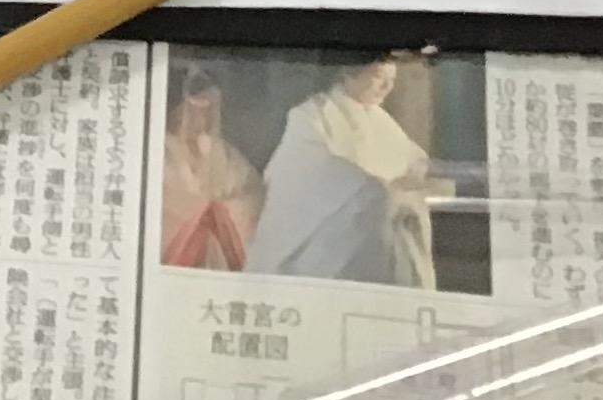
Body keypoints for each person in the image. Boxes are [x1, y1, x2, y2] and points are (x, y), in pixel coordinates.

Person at [244, 59, 442, 287]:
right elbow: (310, 167)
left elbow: (413, 160)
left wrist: (411, 182)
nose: (387, 87)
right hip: (324, 234)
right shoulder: (311, 115)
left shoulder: (381, 121)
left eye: (392, 80)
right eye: (379, 77)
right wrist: (371, 189)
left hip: (378, 234)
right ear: (349, 71)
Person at [157, 68, 267, 272]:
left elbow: (250, 194)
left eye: (208, 110)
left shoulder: (222, 152)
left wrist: (220, 213)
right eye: (194, 110)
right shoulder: (159, 152)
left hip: (221, 258)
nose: (201, 118)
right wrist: (197, 213)